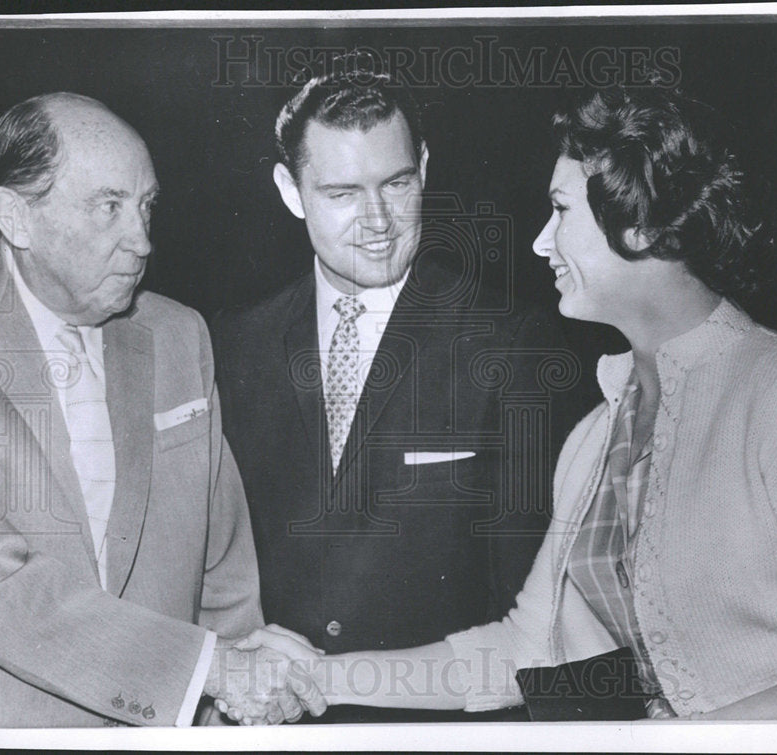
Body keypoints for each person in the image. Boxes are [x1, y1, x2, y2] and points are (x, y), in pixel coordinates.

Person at [269, 86, 777, 720]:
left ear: (642, 221)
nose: (542, 242)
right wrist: (318, 677)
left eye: (560, 210)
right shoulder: (597, 436)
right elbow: (526, 651)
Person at [211, 59, 589, 723]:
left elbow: (538, 624)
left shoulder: (512, 343)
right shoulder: (232, 346)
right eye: (342, 193)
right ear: (289, 190)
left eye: (397, 182)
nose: (379, 219)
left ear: (424, 165)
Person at [0, 92, 324, 727]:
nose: (142, 240)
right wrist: (206, 670)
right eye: (109, 208)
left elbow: (223, 564)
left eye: (147, 206)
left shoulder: (178, 336)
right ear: (16, 216)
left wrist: (232, 709)